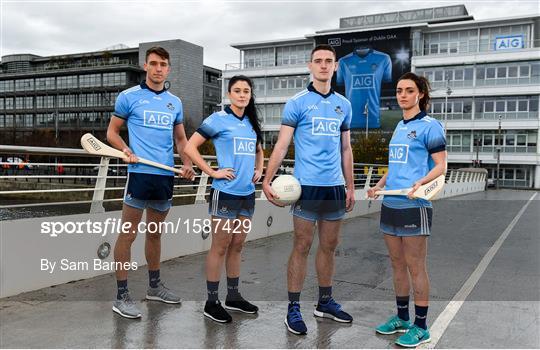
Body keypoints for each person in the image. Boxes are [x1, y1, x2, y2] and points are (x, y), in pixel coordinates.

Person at [262, 44, 355, 335]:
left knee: (329, 247)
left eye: (329, 61)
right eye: (318, 61)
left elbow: (346, 148)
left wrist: (350, 186)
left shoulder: (344, 104)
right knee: (301, 246)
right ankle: (293, 308)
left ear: (336, 66)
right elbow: (281, 145)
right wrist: (267, 179)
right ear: (310, 66)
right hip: (306, 188)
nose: (324, 65)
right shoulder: (297, 102)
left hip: (335, 188)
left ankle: (324, 302)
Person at [107, 46, 195, 319]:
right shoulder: (129, 97)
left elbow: (181, 140)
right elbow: (112, 132)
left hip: (165, 175)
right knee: (129, 233)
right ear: (146, 66)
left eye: (163, 64)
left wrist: (188, 162)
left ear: (168, 69)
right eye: (154, 64)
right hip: (139, 175)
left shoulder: (174, 102)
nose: (158, 68)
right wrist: (125, 150)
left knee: (155, 233)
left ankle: (154, 287)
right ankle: (121, 295)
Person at [367, 72, 447, 347]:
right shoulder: (400, 126)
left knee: (415, 266)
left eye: (408, 90)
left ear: (420, 94)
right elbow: (396, 165)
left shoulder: (430, 126)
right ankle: (401, 318)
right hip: (391, 203)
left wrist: (421, 182)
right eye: (399, 90)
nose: (402, 95)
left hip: (415, 204)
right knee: (397, 264)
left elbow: (440, 165)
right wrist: (378, 186)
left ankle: (421, 326)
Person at [184, 75, 264, 323]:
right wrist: (211, 172)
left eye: (246, 91)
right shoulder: (218, 119)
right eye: (237, 91)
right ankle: (211, 302)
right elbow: (189, 147)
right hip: (225, 192)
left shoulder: (251, 122)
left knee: (238, 244)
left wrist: (259, 168)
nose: (242, 95)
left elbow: (259, 150)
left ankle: (233, 296)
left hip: (247, 194)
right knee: (220, 245)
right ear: (229, 94)